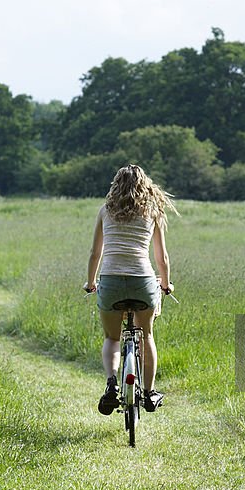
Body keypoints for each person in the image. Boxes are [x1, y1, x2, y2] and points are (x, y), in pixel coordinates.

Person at [83, 164, 177, 414]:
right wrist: (166, 284)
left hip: (111, 281)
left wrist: (91, 283)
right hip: (143, 281)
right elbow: (162, 258)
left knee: (112, 338)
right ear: (144, 186)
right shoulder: (153, 212)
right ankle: (148, 393)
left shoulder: (105, 211)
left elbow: (95, 254)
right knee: (146, 335)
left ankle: (112, 384)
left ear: (116, 186)